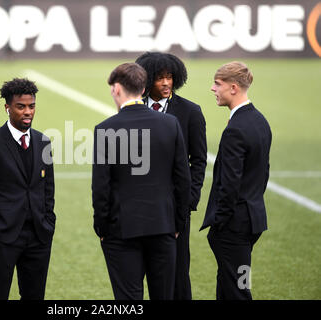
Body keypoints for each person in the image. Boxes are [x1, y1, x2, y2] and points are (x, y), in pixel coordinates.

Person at [92, 63, 191, 300]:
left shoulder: (105, 129)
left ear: (117, 89)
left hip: (121, 231)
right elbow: (183, 180)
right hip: (163, 227)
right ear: (144, 88)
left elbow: (101, 187)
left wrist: (102, 228)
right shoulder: (170, 124)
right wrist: (177, 224)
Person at [135, 52, 207, 300]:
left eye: (170, 77)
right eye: (159, 78)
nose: (166, 83)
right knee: (137, 276)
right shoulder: (133, 111)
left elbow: (198, 160)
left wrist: (189, 200)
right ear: (146, 80)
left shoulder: (190, 112)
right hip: (139, 207)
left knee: (177, 275)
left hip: (174, 209)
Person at [0, 78, 56, 300]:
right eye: (21, 106)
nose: (27, 112)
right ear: (7, 107)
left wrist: (48, 223)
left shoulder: (43, 142)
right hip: (5, 235)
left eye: (31, 106)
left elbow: (48, 189)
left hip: (39, 235)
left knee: (34, 296)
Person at [200, 61, 272, 300]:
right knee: (232, 282)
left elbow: (229, 184)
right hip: (252, 220)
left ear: (233, 87)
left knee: (238, 290)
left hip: (234, 228)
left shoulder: (235, 129)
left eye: (217, 84)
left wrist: (220, 223)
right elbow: (264, 172)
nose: (213, 89)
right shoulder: (260, 120)